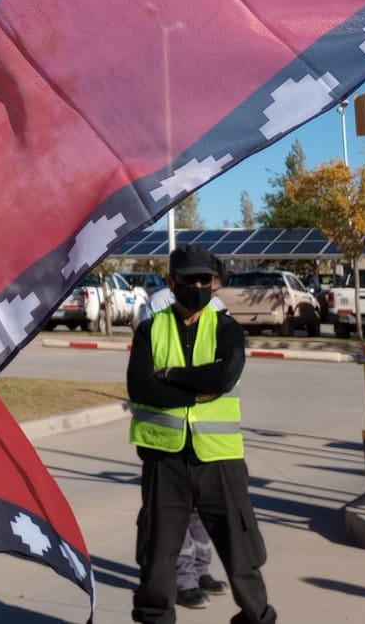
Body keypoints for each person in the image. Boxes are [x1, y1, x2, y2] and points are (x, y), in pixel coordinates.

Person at [127, 247, 276, 624]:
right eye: (189, 280)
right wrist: (196, 389)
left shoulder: (227, 328)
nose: (197, 286)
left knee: (242, 555)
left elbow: (223, 378)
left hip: (219, 459)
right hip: (165, 460)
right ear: (170, 282)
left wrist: (171, 375)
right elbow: (140, 388)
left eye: (203, 280)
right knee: (158, 557)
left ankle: (257, 618)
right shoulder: (150, 328)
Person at [139, 281, 232, 610]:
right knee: (171, 514)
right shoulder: (158, 306)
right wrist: (192, 384)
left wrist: (181, 376)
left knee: (201, 512)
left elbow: (225, 371)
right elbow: (150, 372)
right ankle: (181, 579)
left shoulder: (217, 310)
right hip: (167, 434)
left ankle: (201, 570)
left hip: (208, 437)